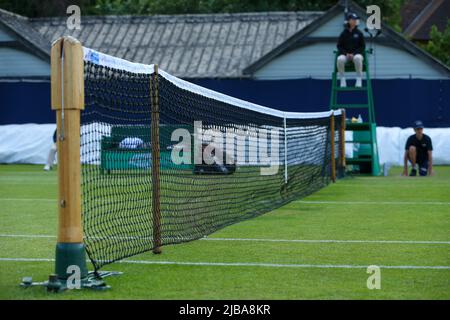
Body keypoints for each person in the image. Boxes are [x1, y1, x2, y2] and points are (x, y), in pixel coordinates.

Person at [336, 13, 366, 88]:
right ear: (348, 21)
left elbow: (362, 46)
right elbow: (339, 46)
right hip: (346, 55)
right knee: (339, 59)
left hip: (356, 55)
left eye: (356, 19)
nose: (355, 21)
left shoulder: (359, 33)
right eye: (353, 19)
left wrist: (354, 54)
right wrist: (346, 54)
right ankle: (342, 79)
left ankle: (359, 79)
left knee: (358, 58)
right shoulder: (343, 33)